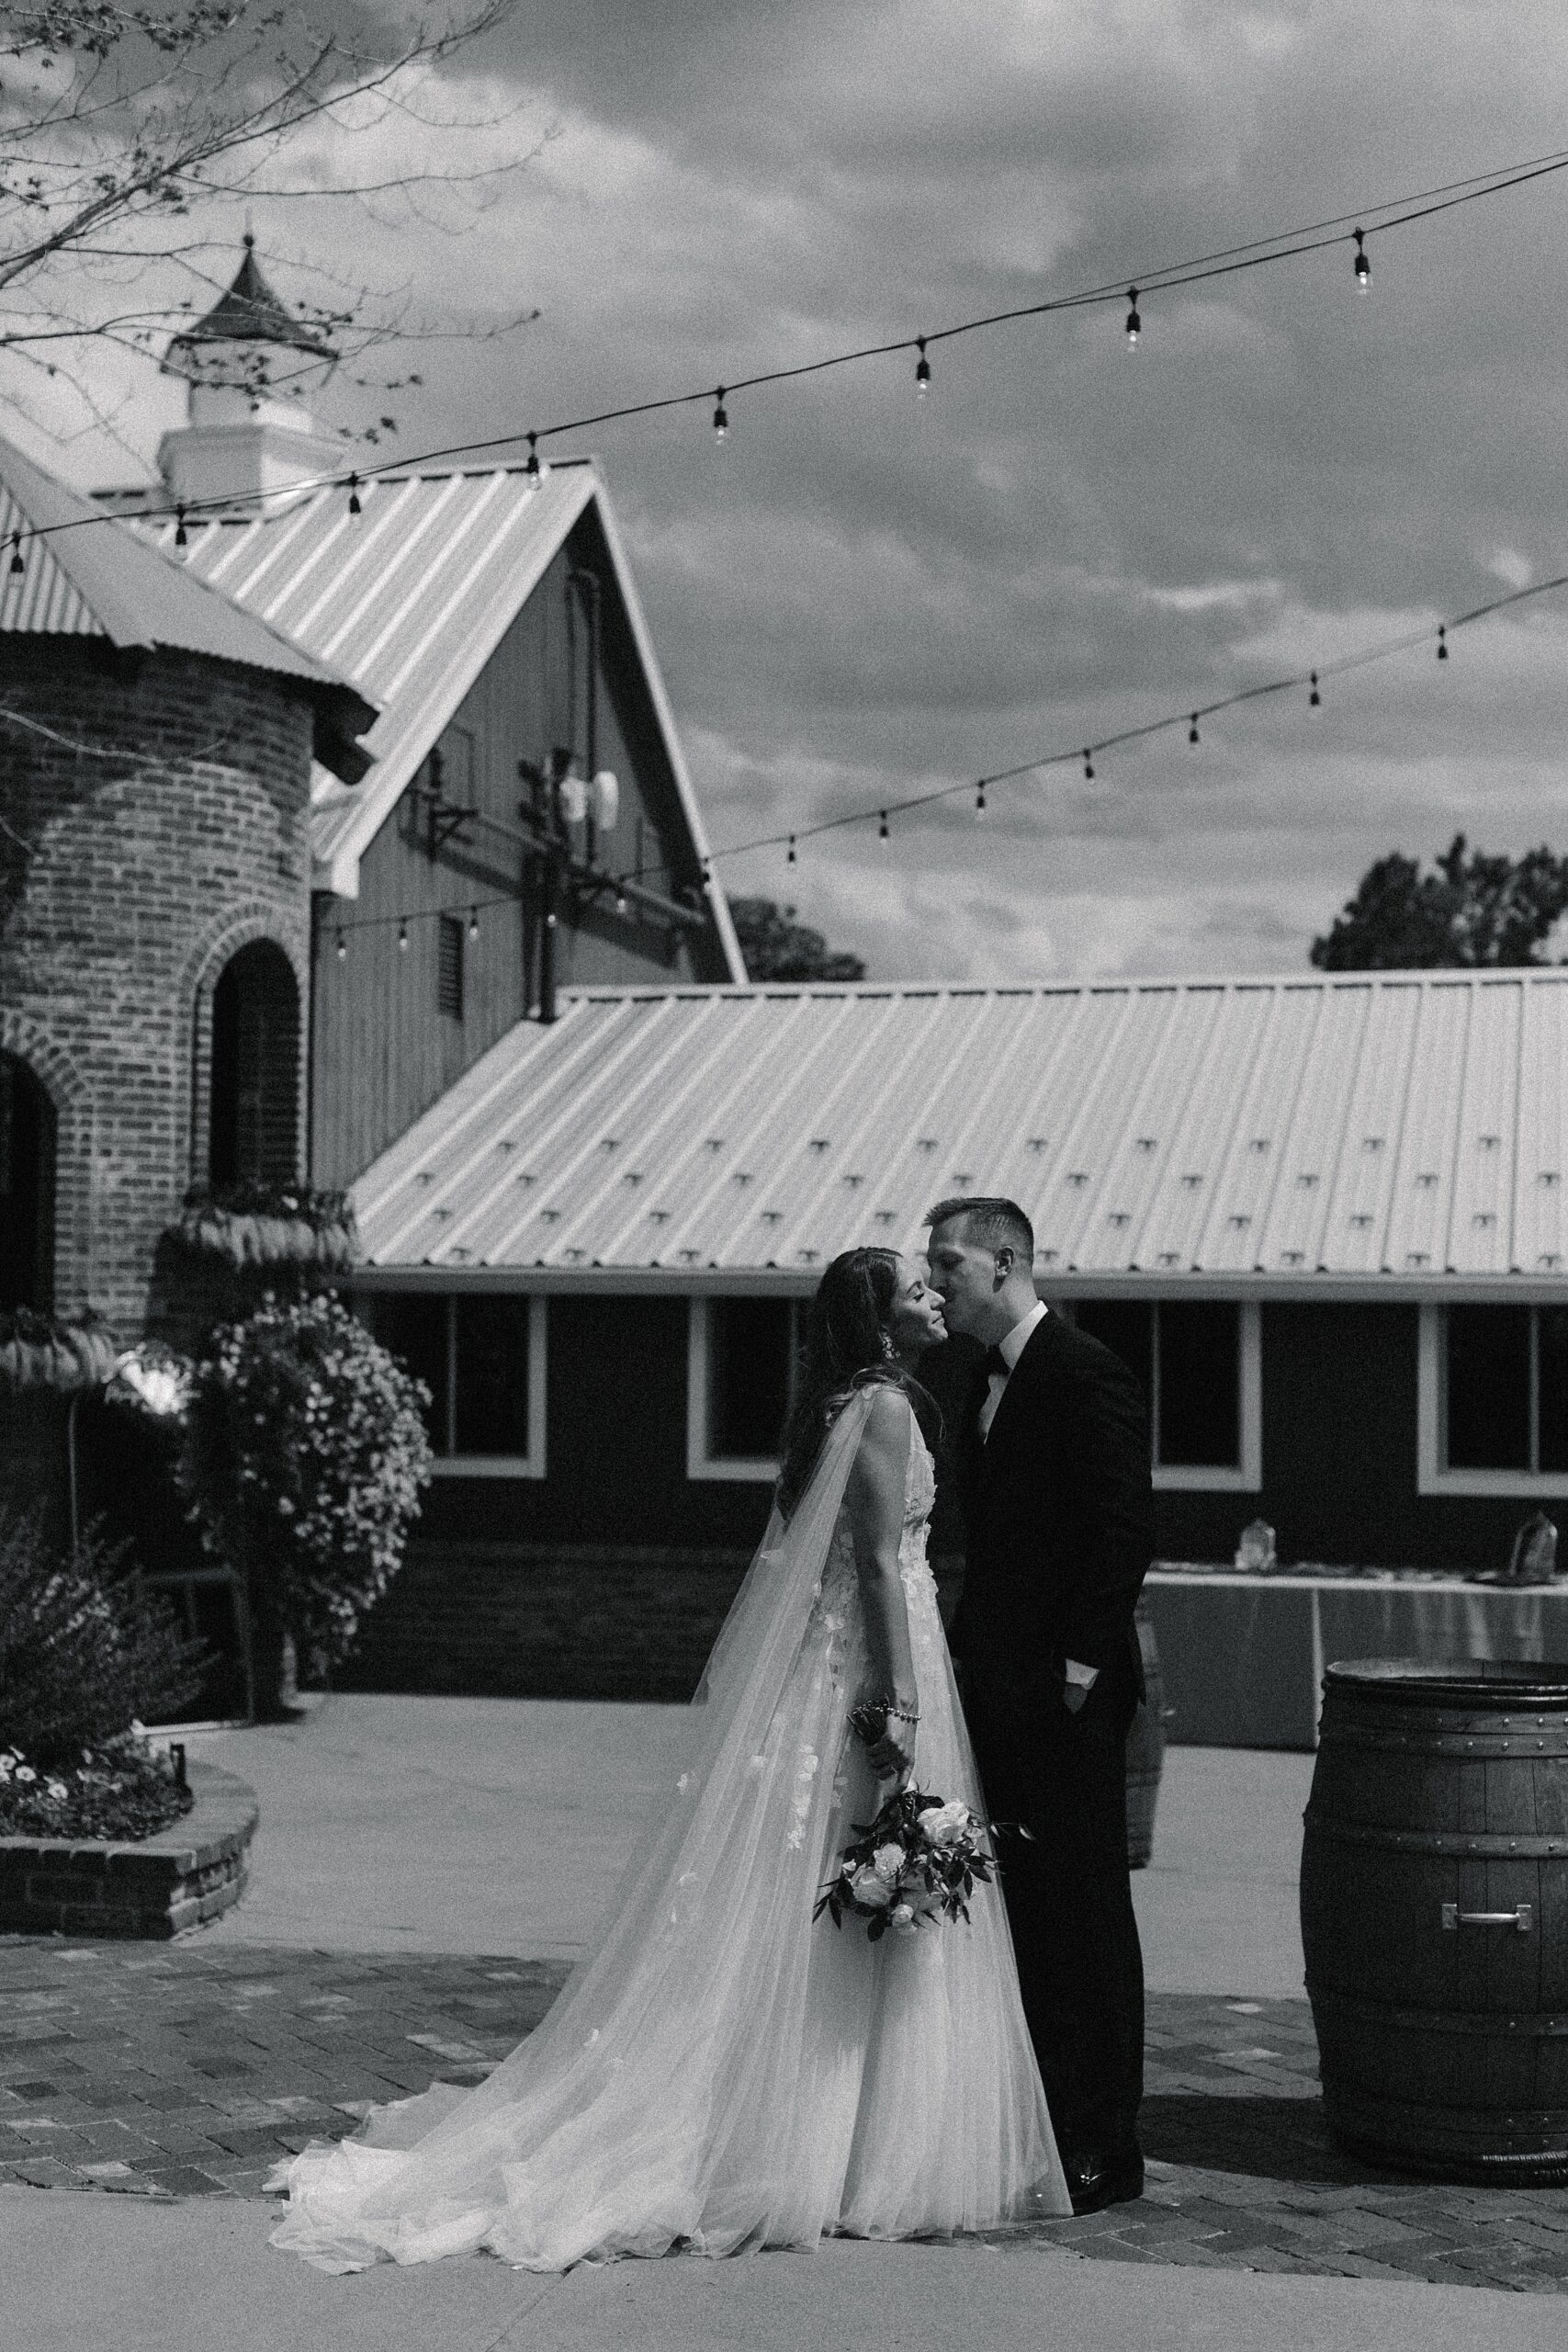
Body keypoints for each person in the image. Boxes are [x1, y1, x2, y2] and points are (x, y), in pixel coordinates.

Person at [267, 1248, 1069, 2274]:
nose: (932, 1297)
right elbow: (874, 1560)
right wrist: (898, 1693)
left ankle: (841, 2137)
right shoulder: (884, 1410)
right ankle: (835, 2149)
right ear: (877, 1322)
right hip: (878, 1658)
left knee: (844, 1882)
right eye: (915, 1287)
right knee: (867, 1874)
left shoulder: (836, 1406)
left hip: (854, 1653)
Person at [925, 1196, 1154, 2217]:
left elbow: (1122, 1532)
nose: (936, 1285)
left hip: (1068, 1699)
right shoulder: (967, 1378)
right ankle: (1042, 2121)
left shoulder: (1084, 1370)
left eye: (950, 1265)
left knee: (1088, 1914)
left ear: (1008, 1260)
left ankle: (1109, 2143)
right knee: (1022, 1910)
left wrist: (1073, 1674)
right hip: (991, 1685)